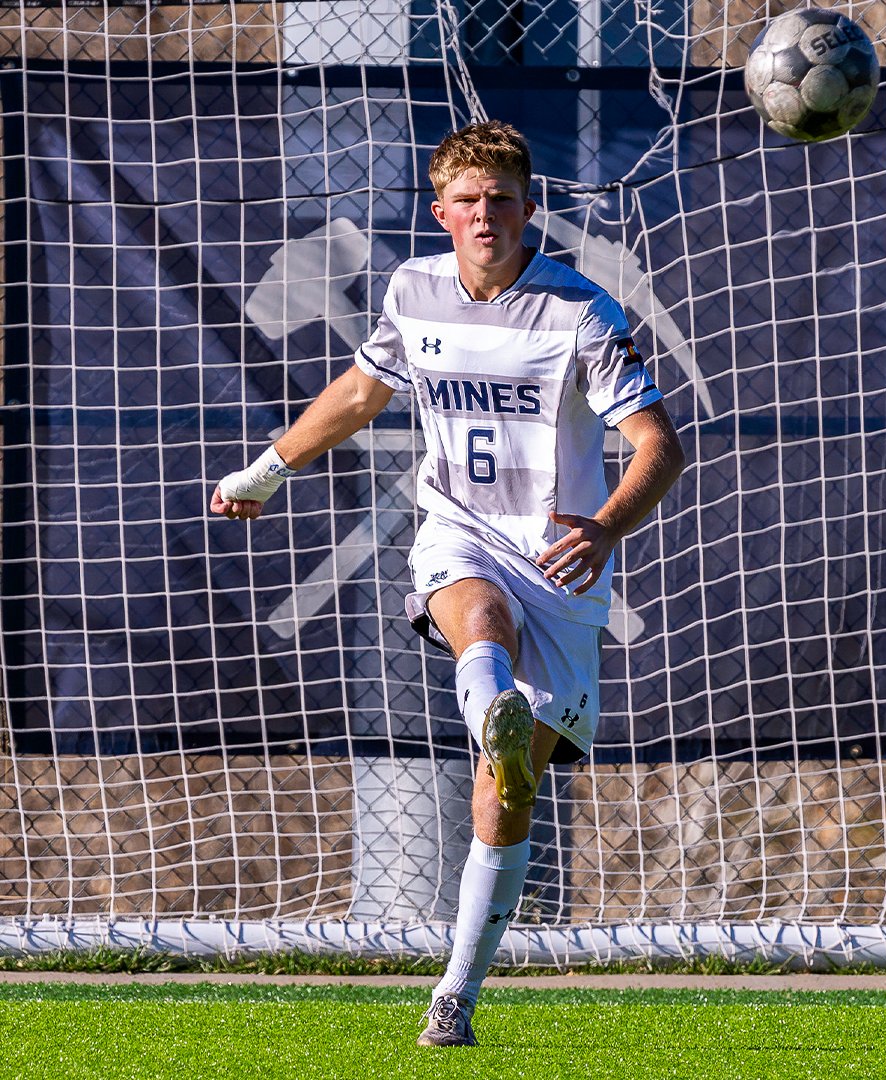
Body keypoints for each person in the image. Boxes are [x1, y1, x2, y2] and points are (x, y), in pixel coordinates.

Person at [210, 119, 684, 1046]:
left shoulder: (582, 311)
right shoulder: (413, 289)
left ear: (529, 211)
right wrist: (260, 475)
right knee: (479, 620)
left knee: (505, 794)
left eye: (502, 200)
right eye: (467, 201)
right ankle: (490, 691)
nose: (485, 216)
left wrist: (605, 526)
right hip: (460, 531)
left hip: (559, 558)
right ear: (441, 212)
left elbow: (660, 447)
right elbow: (358, 393)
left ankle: (457, 991)